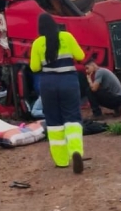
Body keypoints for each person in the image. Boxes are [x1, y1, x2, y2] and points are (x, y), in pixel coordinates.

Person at [30, 13, 86, 173]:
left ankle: (61, 161)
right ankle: (75, 151)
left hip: (48, 83)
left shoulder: (37, 43)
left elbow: (34, 68)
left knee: (54, 122)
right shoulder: (67, 37)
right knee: (73, 117)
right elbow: (81, 56)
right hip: (68, 81)